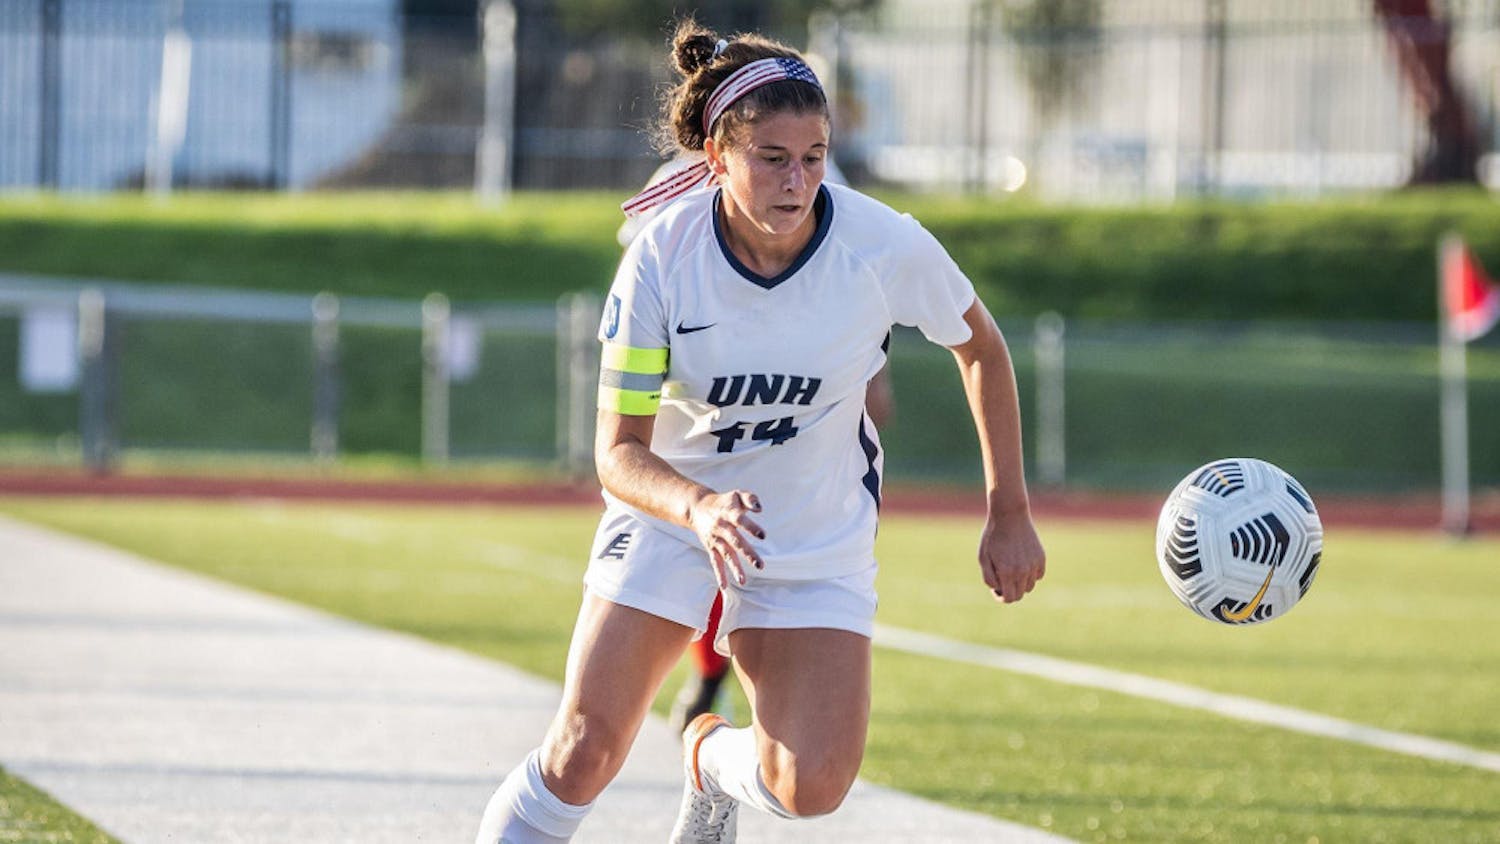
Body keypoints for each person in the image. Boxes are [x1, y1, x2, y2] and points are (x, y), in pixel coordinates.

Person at [475, 19, 1044, 844]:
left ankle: (707, 760)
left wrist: (1009, 508)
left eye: (813, 157)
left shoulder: (881, 243)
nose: (797, 180)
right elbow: (618, 454)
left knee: (809, 785)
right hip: (672, 517)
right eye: (772, 159)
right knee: (583, 751)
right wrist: (700, 510)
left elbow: (981, 348)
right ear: (717, 160)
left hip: (811, 531)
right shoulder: (661, 259)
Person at [619, 154, 894, 737]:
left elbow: (851, 269)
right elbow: (636, 267)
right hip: (690, 427)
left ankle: (713, 688)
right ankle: (708, 676)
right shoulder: (672, 196)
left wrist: (873, 376)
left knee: (757, 546)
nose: (791, 173)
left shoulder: (808, 168)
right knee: (592, 730)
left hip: (792, 404)